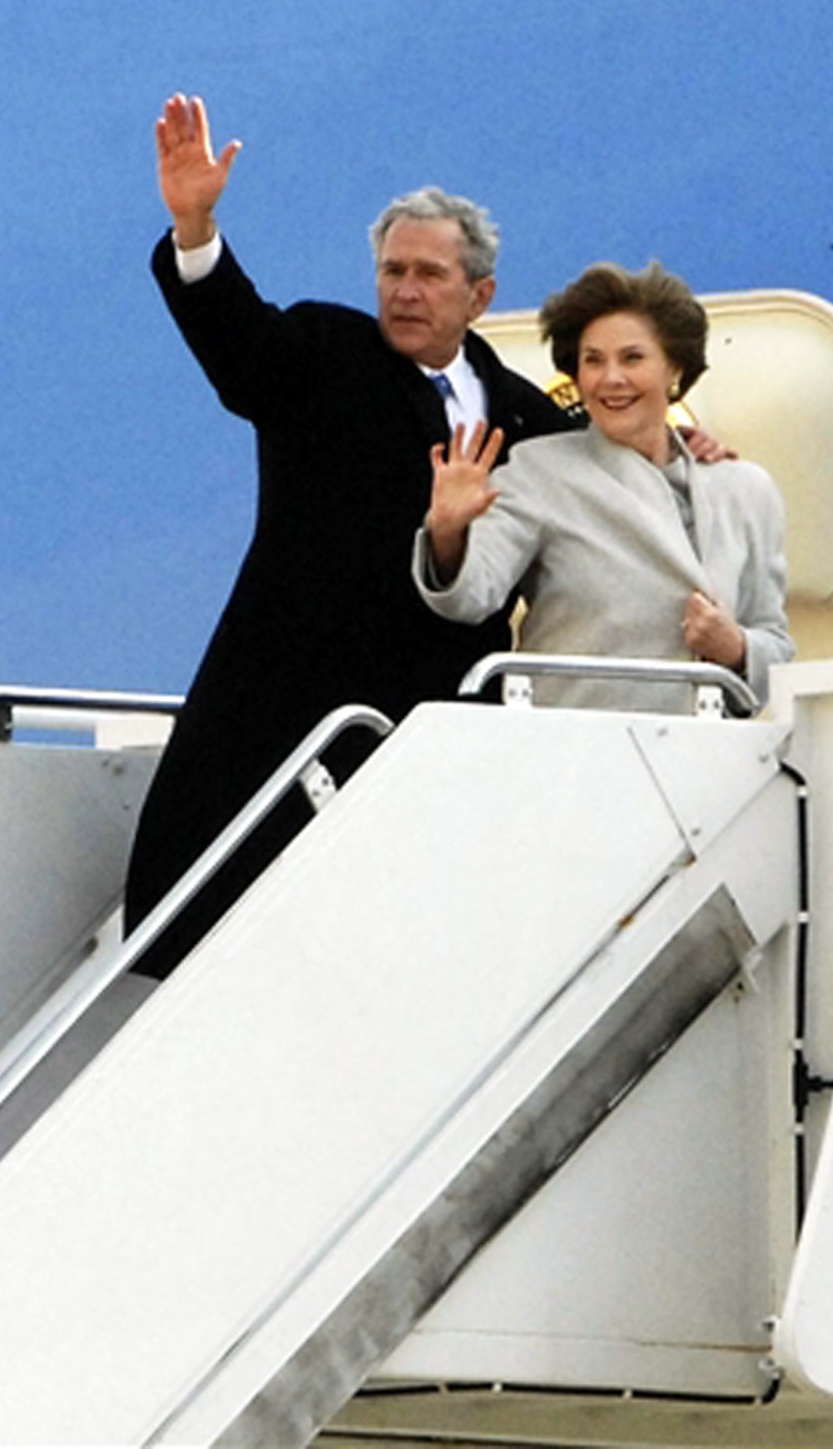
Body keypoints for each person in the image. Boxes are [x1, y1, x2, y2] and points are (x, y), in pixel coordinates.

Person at [123, 94, 577, 978]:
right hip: (290, 701)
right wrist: (195, 229)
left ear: (479, 294)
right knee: (229, 929)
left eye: (429, 275)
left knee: (416, 948)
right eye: (392, 270)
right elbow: (241, 347)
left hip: (441, 723)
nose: (405, 290)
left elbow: (603, 501)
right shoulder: (325, 353)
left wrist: (689, 448)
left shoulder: (530, 418)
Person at [415, 261, 793, 713]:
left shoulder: (747, 489)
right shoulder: (538, 470)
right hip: (576, 757)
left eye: (632, 358)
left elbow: (776, 646)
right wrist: (447, 532)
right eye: (593, 360)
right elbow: (472, 596)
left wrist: (736, 649)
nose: (610, 378)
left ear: (675, 367)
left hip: (711, 762)